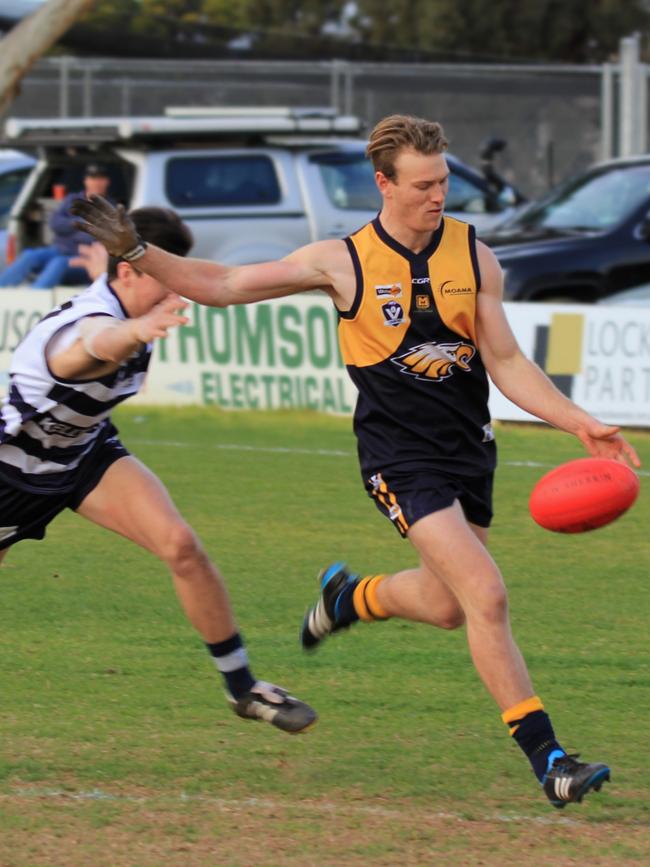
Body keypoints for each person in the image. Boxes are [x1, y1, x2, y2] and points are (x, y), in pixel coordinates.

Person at [71, 115, 640, 808]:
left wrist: (579, 420)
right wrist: (139, 252)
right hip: (398, 456)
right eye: (424, 184)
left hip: (470, 450)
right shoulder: (341, 262)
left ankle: (349, 597)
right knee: (486, 592)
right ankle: (550, 758)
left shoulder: (475, 255)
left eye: (444, 182)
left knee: (447, 604)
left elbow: (508, 361)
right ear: (384, 183)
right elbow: (222, 281)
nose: (439, 196)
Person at [0, 205, 316, 735]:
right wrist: (137, 329)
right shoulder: (91, 320)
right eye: (165, 280)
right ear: (126, 271)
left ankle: (243, 689)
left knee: (181, 546)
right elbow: (86, 350)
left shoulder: (141, 309)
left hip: (82, 456)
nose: (178, 292)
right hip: (12, 471)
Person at [0, 163, 112, 289]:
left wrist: (69, 227)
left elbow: (93, 238)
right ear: (86, 181)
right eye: (93, 178)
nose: (96, 182)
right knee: (29, 255)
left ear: (106, 182)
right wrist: (78, 224)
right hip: (59, 249)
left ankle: (33, 301)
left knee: (58, 263)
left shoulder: (110, 208)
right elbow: (55, 223)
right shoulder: (72, 199)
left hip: (85, 258)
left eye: (100, 179)